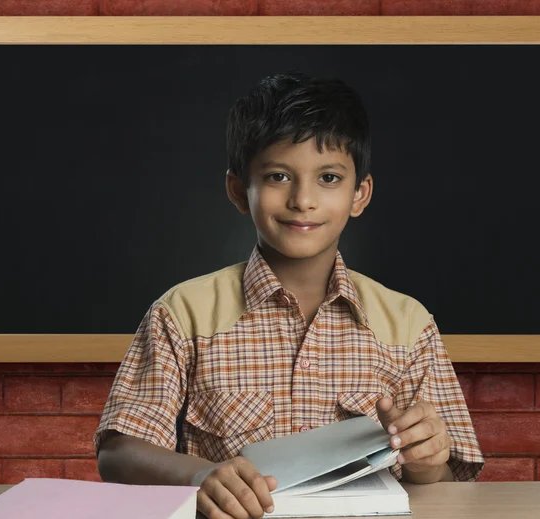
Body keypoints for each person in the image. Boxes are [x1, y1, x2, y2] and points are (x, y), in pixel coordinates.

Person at [94, 72, 484, 519]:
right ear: (240, 190)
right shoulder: (182, 315)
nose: (303, 200)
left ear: (360, 194)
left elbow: (452, 482)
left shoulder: (408, 324)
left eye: (329, 178)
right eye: (279, 176)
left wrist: (427, 461)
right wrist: (199, 475)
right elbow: (119, 452)